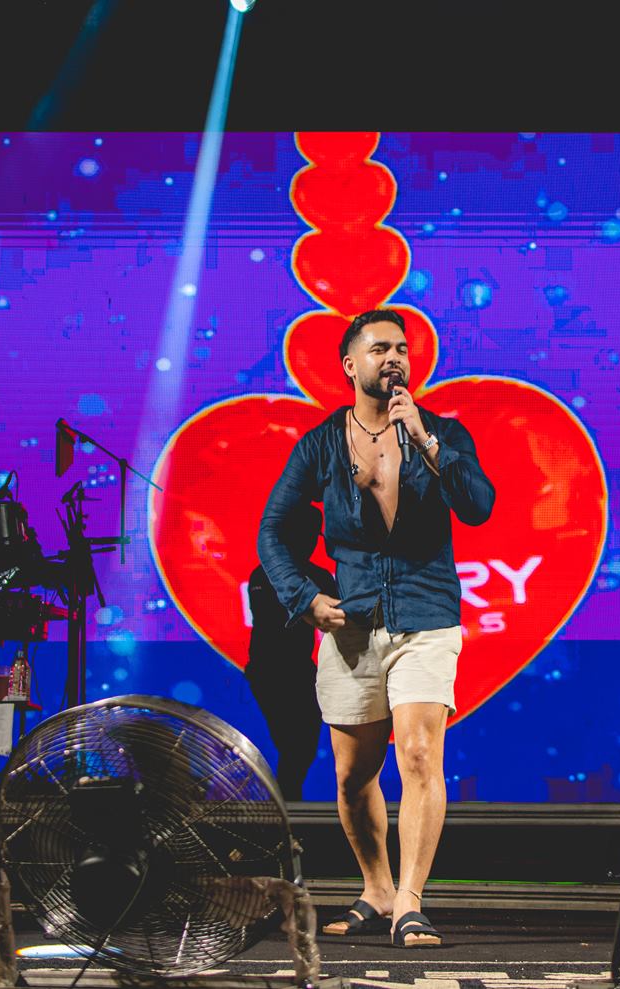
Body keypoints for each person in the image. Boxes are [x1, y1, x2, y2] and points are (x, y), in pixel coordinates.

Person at [257, 309, 495, 948]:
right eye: (380, 348)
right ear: (350, 364)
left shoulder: (442, 432)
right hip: (352, 625)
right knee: (352, 775)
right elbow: (272, 530)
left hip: (426, 616)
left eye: (402, 349)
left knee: (417, 753)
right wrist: (304, 598)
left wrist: (427, 441)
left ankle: (410, 901)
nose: (394, 358)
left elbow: (478, 506)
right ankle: (378, 888)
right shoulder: (320, 444)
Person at [245, 502, 336, 801]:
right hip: (268, 671)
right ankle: (286, 801)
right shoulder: (264, 575)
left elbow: (340, 618)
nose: (310, 542)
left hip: (301, 670)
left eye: (314, 535)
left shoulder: (320, 576)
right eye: (304, 533)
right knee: (291, 742)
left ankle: (288, 798)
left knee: (304, 741)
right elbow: (279, 616)